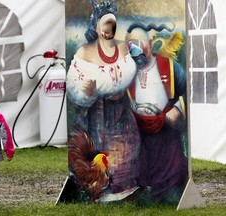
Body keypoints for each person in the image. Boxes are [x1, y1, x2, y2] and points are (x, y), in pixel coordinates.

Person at [66, 0, 141, 203]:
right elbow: (73, 86)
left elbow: (132, 70)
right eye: (105, 28)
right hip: (97, 113)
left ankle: (124, 190)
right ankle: (100, 191)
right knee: (99, 152)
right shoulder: (84, 53)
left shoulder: (124, 49)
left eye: (112, 28)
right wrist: (87, 91)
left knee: (126, 148)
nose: (108, 32)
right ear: (98, 28)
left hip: (121, 111)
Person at [126, 24, 188, 205]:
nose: (134, 49)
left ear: (150, 44)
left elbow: (188, 91)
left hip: (167, 136)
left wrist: (178, 109)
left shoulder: (169, 65)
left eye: (138, 43)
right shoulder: (127, 71)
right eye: (130, 45)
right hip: (140, 137)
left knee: (171, 181)